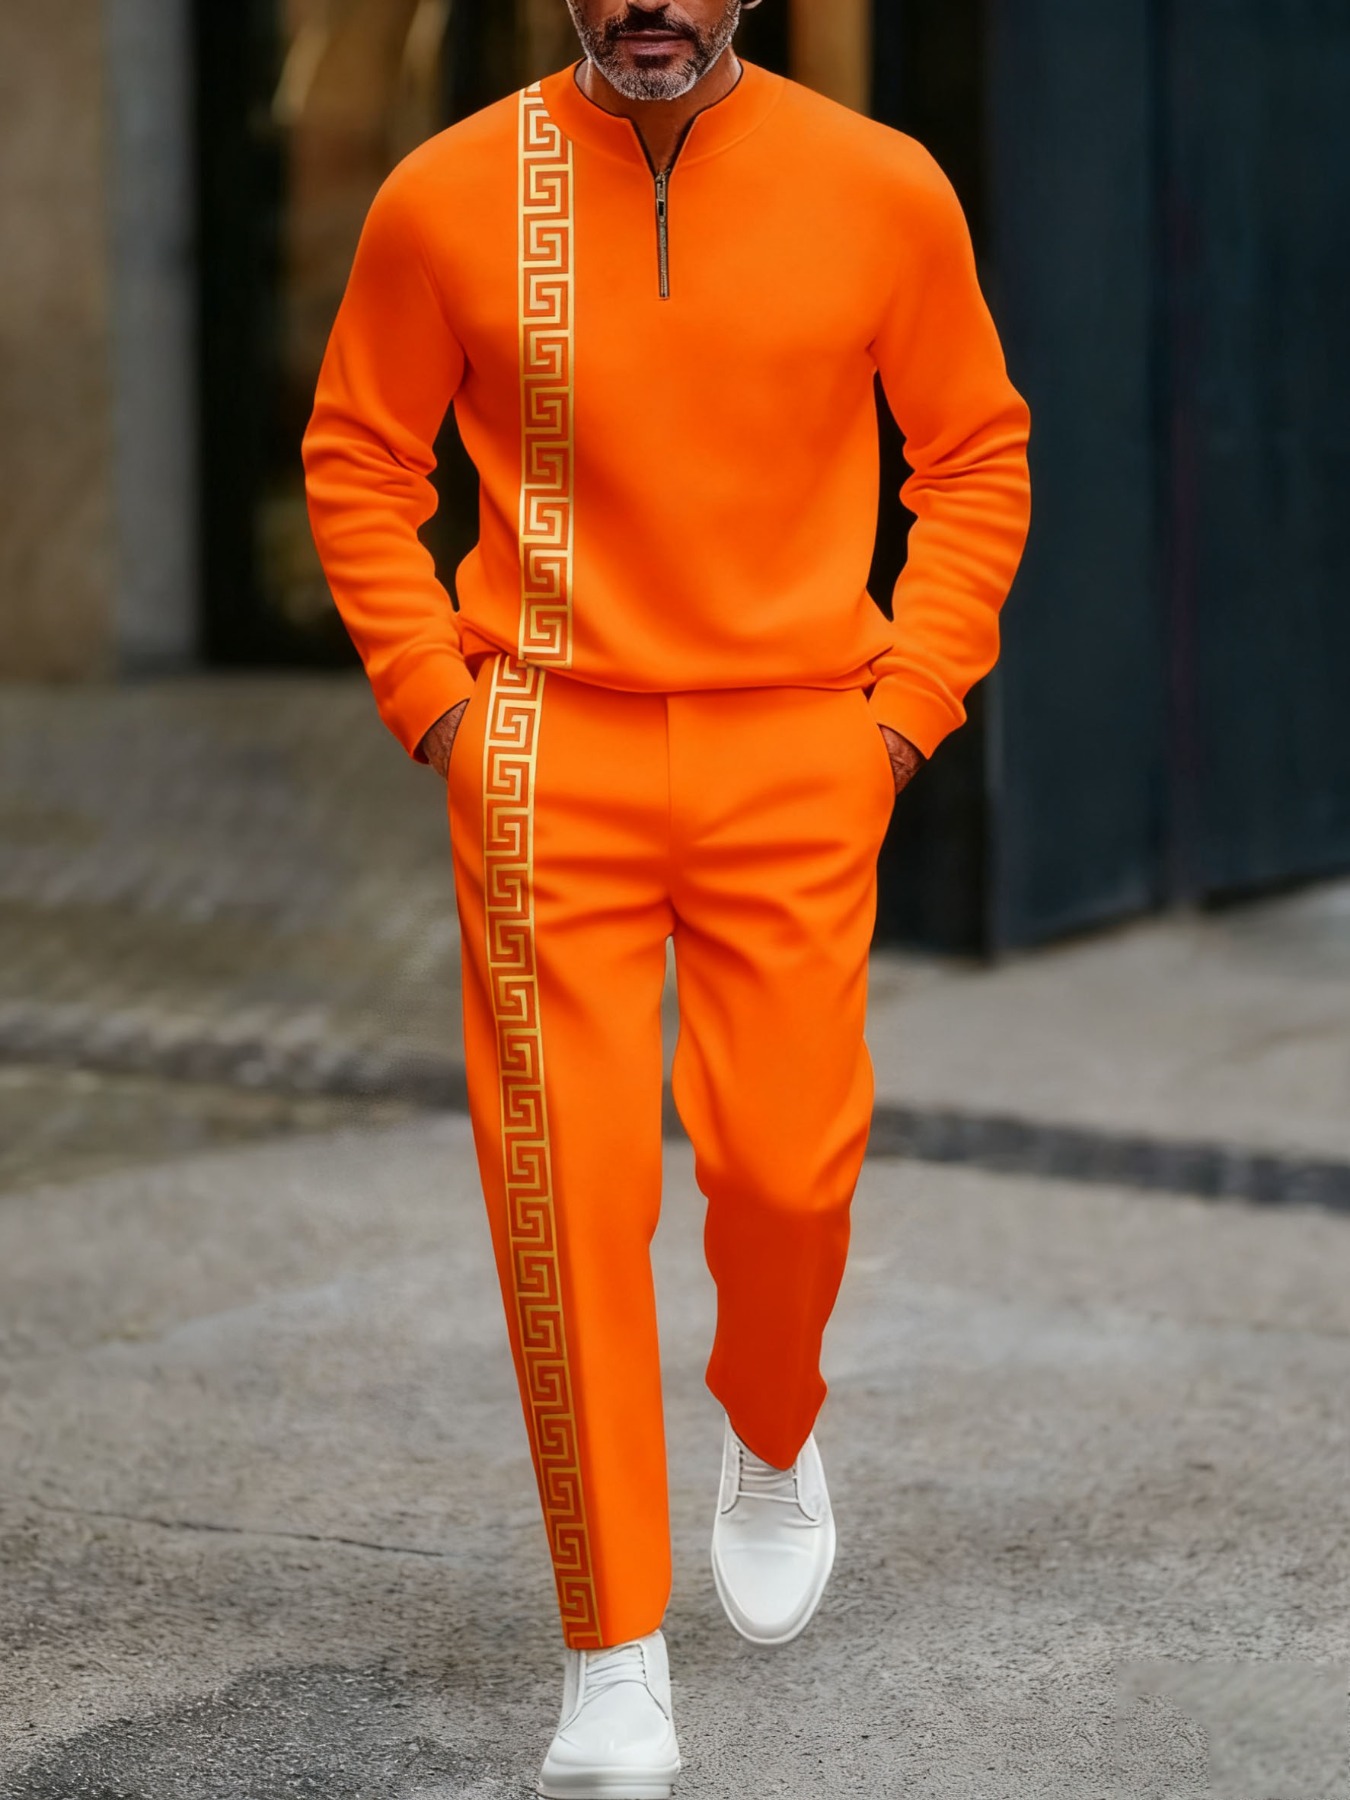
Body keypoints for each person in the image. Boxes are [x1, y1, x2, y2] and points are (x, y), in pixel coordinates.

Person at [303, 0, 1030, 1791]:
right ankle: (609, 1648)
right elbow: (361, 461)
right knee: (564, 1200)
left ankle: (770, 1420)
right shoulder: (444, 192)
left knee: (785, 1170)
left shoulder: (882, 186)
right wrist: (441, 710)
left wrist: (901, 717)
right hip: (546, 747)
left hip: (801, 746)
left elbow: (972, 457)